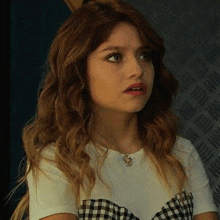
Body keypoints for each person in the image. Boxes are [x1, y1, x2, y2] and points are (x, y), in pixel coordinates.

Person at [10, 0, 219, 219]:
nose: (136, 69)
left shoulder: (181, 153)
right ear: (79, 70)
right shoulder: (58, 161)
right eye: (115, 57)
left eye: (144, 55)